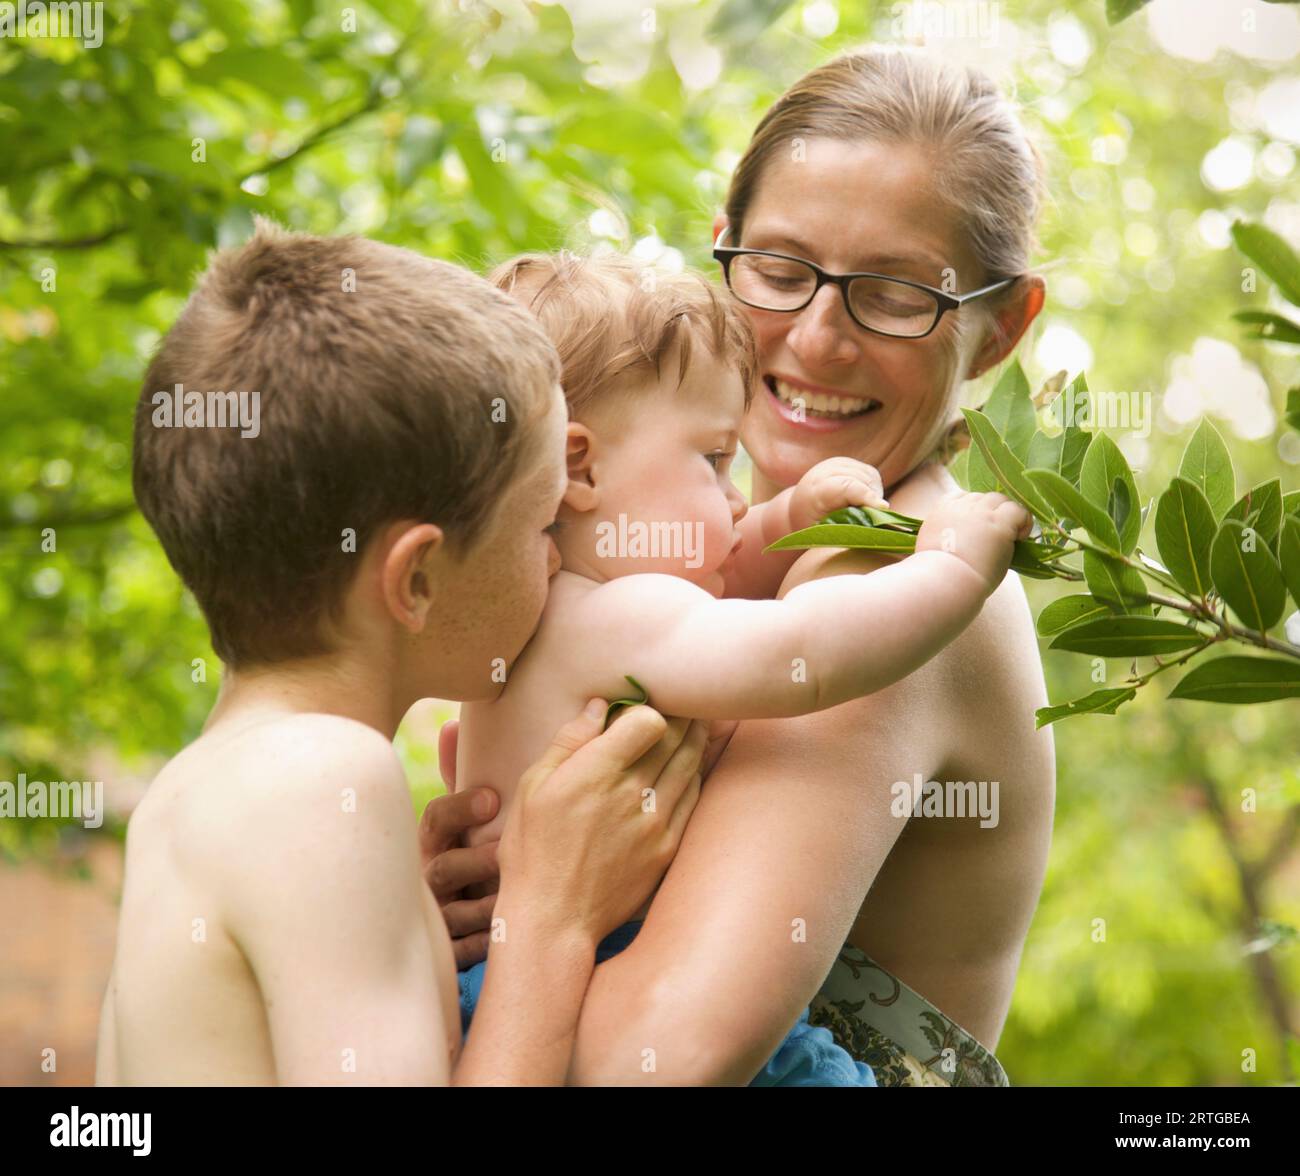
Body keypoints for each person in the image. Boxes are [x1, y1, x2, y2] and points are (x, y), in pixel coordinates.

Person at [423, 46, 1056, 1087]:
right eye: (781, 269)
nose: (817, 338)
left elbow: (654, 1063)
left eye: (894, 293)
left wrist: (542, 915)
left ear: (997, 331)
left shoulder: (886, 579)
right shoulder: (702, 557)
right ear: (723, 252)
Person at [95, 221, 705, 1086]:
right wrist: (554, 913)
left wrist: (400, 919)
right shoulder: (323, 776)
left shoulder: (210, 787)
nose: (560, 556)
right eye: (540, 525)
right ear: (415, 578)